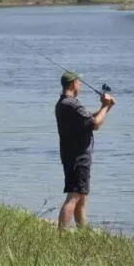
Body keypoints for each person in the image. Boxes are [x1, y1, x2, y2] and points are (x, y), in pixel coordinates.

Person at [54, 70, 115, 230]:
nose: (80, 85)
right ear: (74, 84)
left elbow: (89, 120)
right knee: (74, 196)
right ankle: (62, 234)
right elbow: (95, 124)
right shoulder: (72, 104)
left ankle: (83, 233)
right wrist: (105, 106)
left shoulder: (64, 104)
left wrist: (106, 108)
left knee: (81, 197)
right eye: (79, 82)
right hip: (78, 156)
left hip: (74, 155)